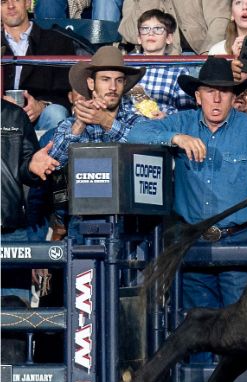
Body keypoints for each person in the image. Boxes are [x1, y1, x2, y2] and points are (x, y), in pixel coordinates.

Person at [125, 56, 247, 312]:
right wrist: (176, 138)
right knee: (197, 325)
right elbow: (135, 134)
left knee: (238, 329)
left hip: (239, 241)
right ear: (198, 96)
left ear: (233, 97)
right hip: (192, 241)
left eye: (224, 91)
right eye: (210, 91)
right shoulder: (183, 122)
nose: (217, 98)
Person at [47, 47, 170, 171]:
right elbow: (52, 164)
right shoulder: (69, 124)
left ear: (124, 84)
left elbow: (152, 156)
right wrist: (80, 124)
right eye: (105, 79)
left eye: (119, 80)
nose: (113, 87)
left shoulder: (138, 122)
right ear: (91, 83)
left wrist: (107, 122)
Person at [1, 97, 58, 305]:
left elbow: (28, 167)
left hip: (10, 231)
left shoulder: (14, 115)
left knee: (15, 315)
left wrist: (33, 168)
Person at [1, 0, 73, 133]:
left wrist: (41, 106)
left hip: (41, 118)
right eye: (3, 2)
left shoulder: (57, 41)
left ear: (27, 3)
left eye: (16, 0)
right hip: (3, 117)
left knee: (55, 113)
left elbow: (66, 94)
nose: (10, 6)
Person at [131, 10, 195, 111]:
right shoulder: (129, 63)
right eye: (145, 29)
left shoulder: (178, 69)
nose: (150, 33)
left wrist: (163, 115)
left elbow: (186, 112)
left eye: (158, 29)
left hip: (162, 124)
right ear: (139, 38)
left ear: (169, 38)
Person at [118, 0, 230, 55]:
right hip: (159, 59)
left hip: (202, 55)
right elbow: (131, 34)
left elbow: (220, 21)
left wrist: (207, 55)